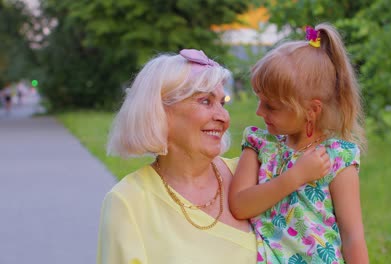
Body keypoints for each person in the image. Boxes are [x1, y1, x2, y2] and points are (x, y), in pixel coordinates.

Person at [97, 49, 256, 264]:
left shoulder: (250, 175)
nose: (223, 117)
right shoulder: (129, 201)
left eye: (222, 103)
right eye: (205, 101)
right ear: (159, 111)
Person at [229, 23, 369, 264]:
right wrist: (295, 176)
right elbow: (240, 206)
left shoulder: (337, 157)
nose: (259, 112)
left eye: (270, 106)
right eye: (259, 100)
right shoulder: (260, 145)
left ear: (311, 111)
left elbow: (352, 235)